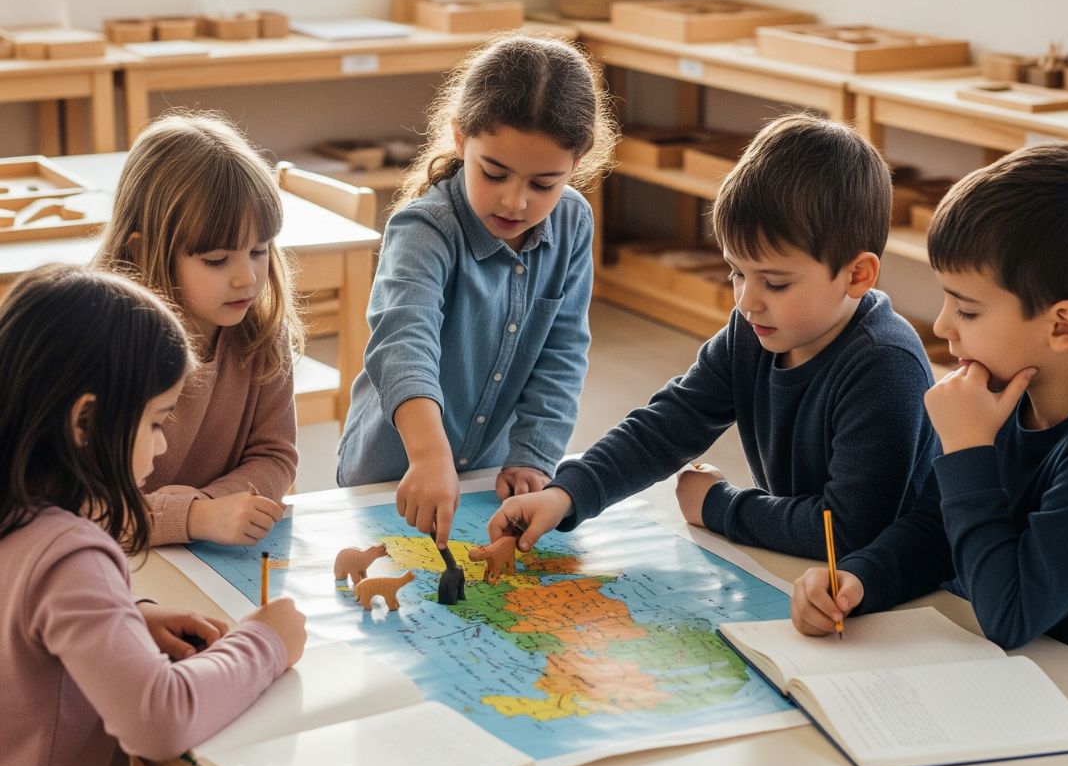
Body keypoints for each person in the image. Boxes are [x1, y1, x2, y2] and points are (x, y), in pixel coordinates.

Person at [489, 113, 938, 559]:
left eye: (775, 283)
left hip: (914, 602)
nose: (746, 301)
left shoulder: (886, 365)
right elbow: (669, 424)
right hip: (817, 576)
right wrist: (566, 494)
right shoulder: (755, 331)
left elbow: (845, 531)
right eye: (737, 272)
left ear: (857, 275)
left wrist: (718, 505)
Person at [0, 264, 306, 766]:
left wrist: (130, 617)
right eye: (156, 422)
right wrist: (265, 643)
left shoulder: (17, 514)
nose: (162, 446)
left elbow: (24, 628)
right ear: (86, 422)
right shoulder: (70, 551)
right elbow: (158, 720)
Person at [792, 143, 1068, 650]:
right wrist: (860, 578)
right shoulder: (1000, 393)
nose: (943, 325)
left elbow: (1009, 617)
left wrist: (969, 450)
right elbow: (934, 529)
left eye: (967, 311)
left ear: (1061, 326)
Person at [336, 34, 618, 546]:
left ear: (576, 166)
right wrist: (428, 455)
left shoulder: (574, 223)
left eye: (543, 184)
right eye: (495, 172)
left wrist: (534, 453)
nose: (515, 201)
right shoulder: (424, 228)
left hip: (490, 481)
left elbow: (563, 352)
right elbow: (403, 343)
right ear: (461, 138)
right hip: (392, 474)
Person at [95, 111, 303, 547]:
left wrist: (214, 506)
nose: (246, 277)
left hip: (206, 556)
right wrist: (192, 517)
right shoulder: (100, 346)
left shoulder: (262, 334)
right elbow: (81, 510)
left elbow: (275, 455)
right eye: (216, 260)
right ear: (144, 251)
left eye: (259, 250)